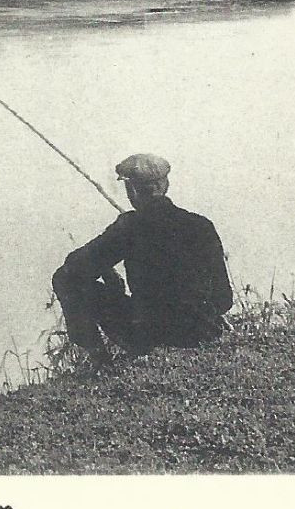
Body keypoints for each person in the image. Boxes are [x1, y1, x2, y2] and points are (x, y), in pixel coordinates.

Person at [52, 154, 234, 366]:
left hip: (150, 335)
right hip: (202, 332)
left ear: (133, 190)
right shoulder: (202, 225)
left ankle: (99, 362)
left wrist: (108, 273)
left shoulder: (129, 226)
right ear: (166, 184)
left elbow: (74, 268)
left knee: (63, 278)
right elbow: (224, 299)